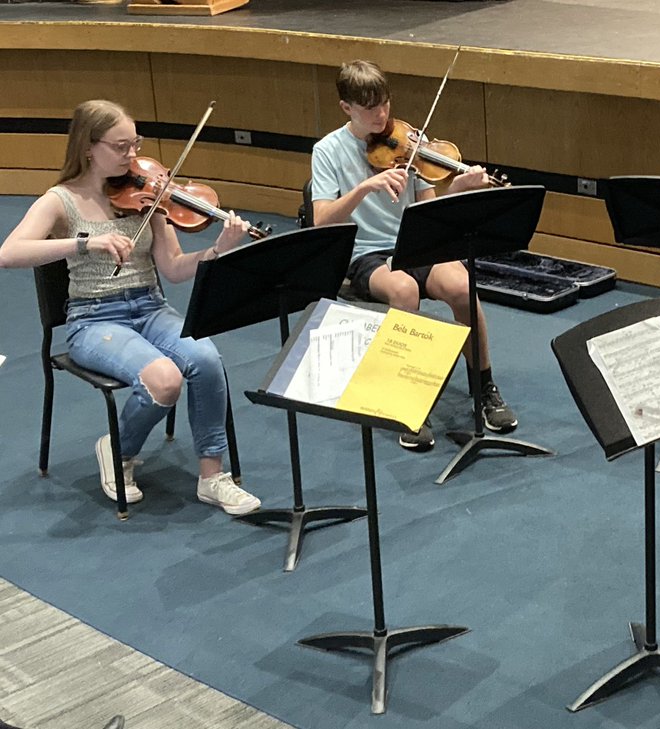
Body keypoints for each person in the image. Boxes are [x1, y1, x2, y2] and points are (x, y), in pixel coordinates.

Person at [0, 99, 260, 516]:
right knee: (165, 380)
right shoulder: (60, 200)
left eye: (135, 144)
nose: (133, 156)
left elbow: (174, 269)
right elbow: (8, 252)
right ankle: (118, 448)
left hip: (150, 308)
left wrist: (216, 249)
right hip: (94, 318)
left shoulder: (147, 193)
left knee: (206, 358)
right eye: (121, 147)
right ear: (89, 147)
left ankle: (213, 476)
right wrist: (85, 242)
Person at [310, 59, 517, 451]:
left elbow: (428, 211)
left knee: (461, 286)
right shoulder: (327, 151)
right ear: (346, 108)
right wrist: (366, 187)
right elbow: (321, 220)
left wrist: (462, 187)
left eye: (385, 104)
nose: (382, 115)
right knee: (403, 289)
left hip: (416, 243)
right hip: (365, 253)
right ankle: (405, 402)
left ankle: (484, 388)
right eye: (370, 109)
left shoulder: (409, 140)